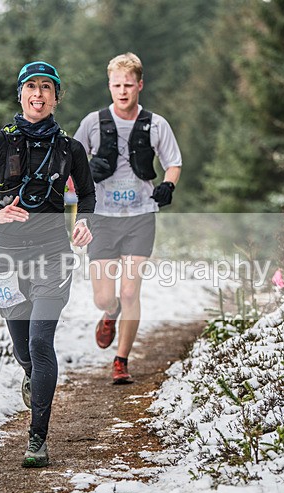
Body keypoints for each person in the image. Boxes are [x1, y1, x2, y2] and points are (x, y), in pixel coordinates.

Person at [0, 61, 95, 468]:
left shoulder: (71, 149)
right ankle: (33, 377)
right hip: (7, 258)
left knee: (40, 342)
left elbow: (86, 196)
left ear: (56, 96)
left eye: (46, 88)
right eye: (31, 87)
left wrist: (84, 221)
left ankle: (37, 438)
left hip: (54, 255)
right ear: (20, 94)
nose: (38, 94)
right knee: (24, 350)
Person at [73, 52, 181, 384]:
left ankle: (121, 360)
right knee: (105, 296)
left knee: (132, 291)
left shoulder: (156, 124)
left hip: (140, 216)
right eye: (117, 84)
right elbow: (71, 166)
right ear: (109, 85)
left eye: (129, 85)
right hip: (102, 217)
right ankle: (109, 313)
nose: (123, 91)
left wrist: (167, 184)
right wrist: (80, 181)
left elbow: (173, 162)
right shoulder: (92, 122)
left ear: (140, 85)